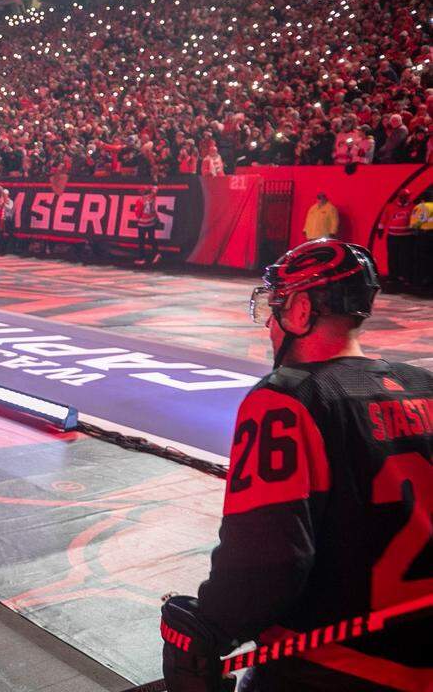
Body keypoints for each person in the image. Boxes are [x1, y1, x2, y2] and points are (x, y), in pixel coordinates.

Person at [160, 238, 432, 692]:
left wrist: (211, 624)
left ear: (302, 310)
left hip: (332, 666)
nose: (270, 321)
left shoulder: (286, 399)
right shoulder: (423, 383)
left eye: (278, 305)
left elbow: (268, 560)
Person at [378, 189, 415, 291]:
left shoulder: (412, 207)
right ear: (399, 197)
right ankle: (393, 276)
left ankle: (405, 276)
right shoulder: (390, 206)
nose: (404, 198)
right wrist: (380, 229)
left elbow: (415, 219)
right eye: (402, 196)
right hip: (393, 235)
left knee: (406, 257)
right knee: (392, 256)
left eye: (406, 196)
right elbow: (383, 218)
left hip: (407, 236)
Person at [410, 192, 433, 290]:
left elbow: (414, 224)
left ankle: (423, 279)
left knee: (422, 259)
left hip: (424, 236)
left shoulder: (420, 207)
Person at [133, 186, 161, 265]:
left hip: (143, 223)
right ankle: (156, 253)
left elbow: (138, 213)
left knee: (141, 241)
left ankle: (142, 258)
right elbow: (156, 188)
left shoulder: (140, 200)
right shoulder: (152, 197)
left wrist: (138, 219)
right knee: (152, 238)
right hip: (151, 222)